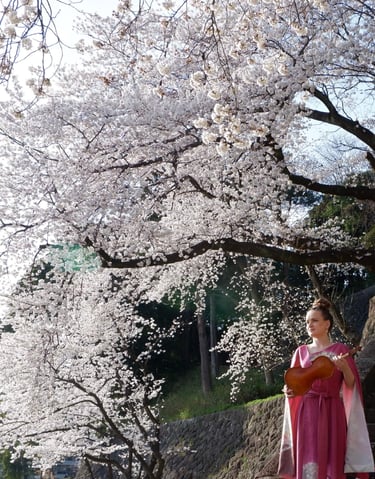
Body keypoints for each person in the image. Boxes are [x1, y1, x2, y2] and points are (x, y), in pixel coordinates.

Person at [278, 298, 374, 479]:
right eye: (307, 322)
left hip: (332, 410)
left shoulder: (340, 349)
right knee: (308, 455)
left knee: (333, 456)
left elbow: (351, 384)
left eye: (314, 320)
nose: (309, 325)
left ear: (327, 324)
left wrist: (344, 367)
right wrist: (287, 390)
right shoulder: (301, 352)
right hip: (307, 411)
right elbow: (294, 383)